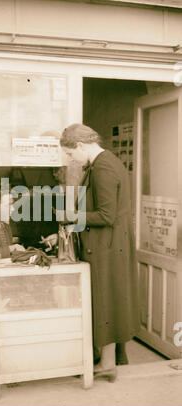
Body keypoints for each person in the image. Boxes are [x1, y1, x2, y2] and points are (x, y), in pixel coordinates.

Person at [59, 123, 140, 382]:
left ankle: (107, 364)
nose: (71, 159)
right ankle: (108, 362)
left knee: (105, 301)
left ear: (80, 146)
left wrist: (70, 217)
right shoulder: (106, 163)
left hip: (106, 246)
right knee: (108, 302)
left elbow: (106, 215)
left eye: (71, 154)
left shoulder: (103, 166)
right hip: (110, 245)